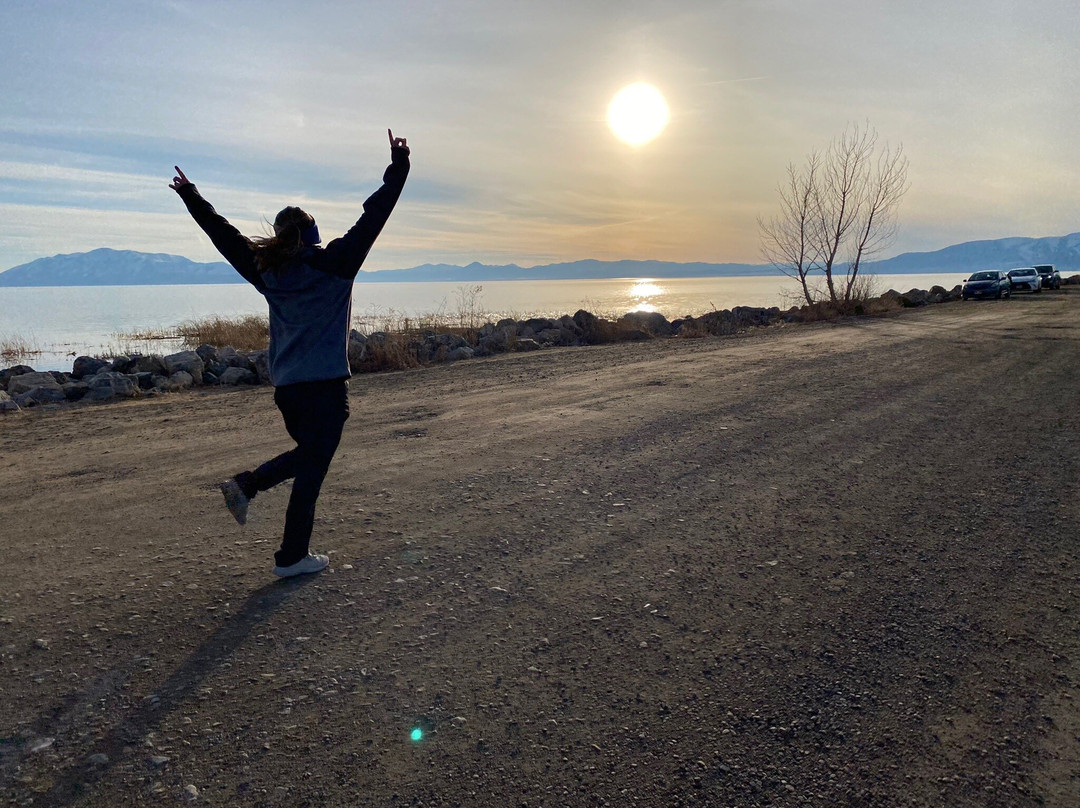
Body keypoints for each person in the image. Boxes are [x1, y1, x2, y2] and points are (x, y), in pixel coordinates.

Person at [170, 130, 410, 577]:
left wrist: (191, 196)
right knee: (313, 465)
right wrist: (399, 166)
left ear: (279, 238)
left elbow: (225, 237)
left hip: (287, 391)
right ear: (312, 235)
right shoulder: (337, 262)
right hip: (325, 388)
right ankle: (276, 533)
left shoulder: (267, 272)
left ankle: (284, 540)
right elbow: (375, 215)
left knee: (310, 462)